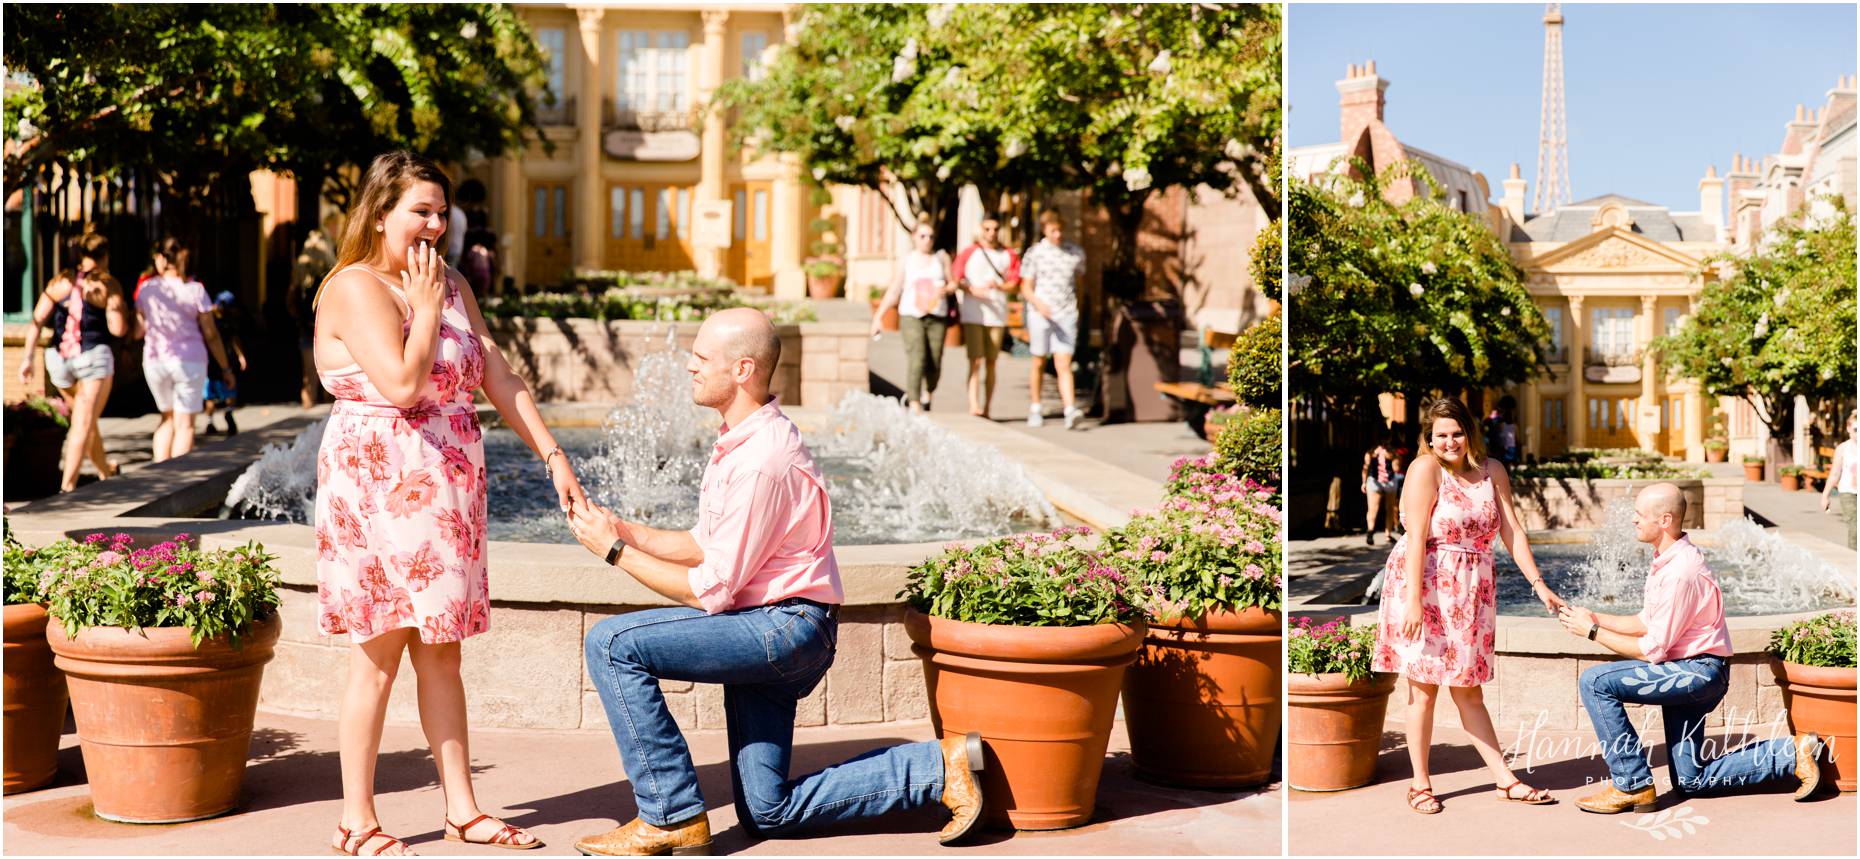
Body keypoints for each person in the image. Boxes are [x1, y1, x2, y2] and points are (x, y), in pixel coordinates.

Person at [564, 307, 985, 856]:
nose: (688, 366)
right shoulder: (743, 441)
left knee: (613, 645)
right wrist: (624, 530)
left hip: (783, 629)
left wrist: (613, 552)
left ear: (742, 369)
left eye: (701, 357)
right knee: (768, 812)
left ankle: (669, 814)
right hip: (770, 622)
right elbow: (706, 543)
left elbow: (708, 589)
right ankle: (940, 766)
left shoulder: (763, 459)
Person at [311, 151, 589, 856]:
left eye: (443, 212)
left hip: (447, 486)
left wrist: (554, 455)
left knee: (443, 654)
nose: (437, 225)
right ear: (381, 214)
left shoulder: (453, 279)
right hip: (379, 484)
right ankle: (356, 819)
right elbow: (404, 386)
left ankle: (462, 810)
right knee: (376, 655)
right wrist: (426, 310)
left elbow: (495, 371)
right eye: (421, 212)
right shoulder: (355, 286)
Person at [1558, 482, 1827, 811]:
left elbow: (1651, 649)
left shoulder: (1681, 572)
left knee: (1595, 682)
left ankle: (1632, 784)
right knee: (1690, 780)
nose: (1633, 520)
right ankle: (1794, 753)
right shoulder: (1668, 561)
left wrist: (1592, 632)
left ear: (1665, 520)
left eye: (1640, 515)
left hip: (1696, 672)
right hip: (1690, 669)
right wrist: (1593, 616)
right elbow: (1647, 621)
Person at [1371, 396, 1567, 814]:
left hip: (1473, 590)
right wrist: (1412, 605)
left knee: (1468, 690)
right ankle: (1420, 785)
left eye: (1457, 432)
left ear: (1470, 432)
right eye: (1441, 435)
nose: (1449, 441)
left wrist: (1539, 584)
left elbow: (1512, 531)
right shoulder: (1426, 470)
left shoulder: (1492, 471)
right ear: (1430, 437)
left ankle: (1504, 780)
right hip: (1426, 585)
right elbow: (1416, 537)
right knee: (1422, 690)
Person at [15, 232, 126, 492]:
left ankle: (105, 475)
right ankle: (67, 487)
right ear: (105, 255)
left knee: (84, 418)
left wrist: (27, 359)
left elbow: (36, 321)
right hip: (91, 358)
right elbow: (118, 328)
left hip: (59, 361)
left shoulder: (59, 282)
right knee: (83, 422)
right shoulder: (106, 284)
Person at [132, 237, 236, 462]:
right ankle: (176, 481)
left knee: (166, 419)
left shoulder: (146, 289)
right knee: (185, 424)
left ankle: (159, 475)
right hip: (190, 362)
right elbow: (211, 334)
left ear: (160, 259)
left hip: (155, 361)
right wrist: (226, 368)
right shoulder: (195, 290)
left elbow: (138, 332)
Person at [870, 221, 955, 412]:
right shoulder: (907, 260)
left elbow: (953, 283)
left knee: (934, 361)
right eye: (923, 236)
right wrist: (878, 317)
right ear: (914, 237)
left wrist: (947, 289)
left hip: (936, 315)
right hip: (911, 315)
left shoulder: (941, 258)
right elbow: (894, 290)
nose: (927, 240)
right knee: (917, 357)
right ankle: (915, 403)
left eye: (931, 236)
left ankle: (929, 391)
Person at [1019, 210, 1086, 430]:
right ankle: (1035, 407)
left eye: (1060, 229)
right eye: (1052, 230)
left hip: (1065, 313)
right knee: (1039, 360)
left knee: (1063, 363)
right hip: (1041, 314)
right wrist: (1039, 305)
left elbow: (1081, 284)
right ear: (1044, 229)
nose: (1057, 234)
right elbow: (1026, 287)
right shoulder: (1035, 253)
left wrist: (1078, 308)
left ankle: (1069, 409)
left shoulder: (1074, 253)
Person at [951, 216, 1019, 418]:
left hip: (996, 314)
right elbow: (956, 278)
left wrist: (998, 286)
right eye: (987, 229)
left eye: (995, 229)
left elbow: (1015, 282)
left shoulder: (1008, 254)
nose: (992, 233)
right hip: (974, 314)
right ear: (981, 229)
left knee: (991, 362)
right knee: (975, 361)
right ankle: (973, 404)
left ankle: (987, 407)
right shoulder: (969, 253)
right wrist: (971, 289)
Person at [291, 216, 341, 409]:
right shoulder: (331, 272)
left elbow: (291, 302)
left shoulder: (299, 272)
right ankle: (324, 419)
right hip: (328, 328)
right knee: (330, 377)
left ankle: (306, 414)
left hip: (305, 328)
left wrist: (299, 319)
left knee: (308, 376)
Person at [200, 291, 248, 436]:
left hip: (222, 360)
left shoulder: (226, 320)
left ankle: (225, 415)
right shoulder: (209, 318)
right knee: (211, 393)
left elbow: (234, 340)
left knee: (223, 390)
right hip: (213, 362)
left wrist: (241, 356)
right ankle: (212, 420)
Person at [1819, 410, 1857, 550]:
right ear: (1848, 429)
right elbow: (1835, 473)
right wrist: (1825, 496)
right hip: (1848, 492)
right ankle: (1854, 559)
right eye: (1855, 429)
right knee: (1855, 525)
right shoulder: (1843, 449)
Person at [1362, 439, 1400, 546]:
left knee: (1378, 508)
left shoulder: (1372, 452)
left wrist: (1363, 483)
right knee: (1385, 509)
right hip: (1383, 481)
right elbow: (1396, 468)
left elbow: (1365, 467)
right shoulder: (1388, 453)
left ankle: (1373, 531)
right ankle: (1381, 533)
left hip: (1381, 482)